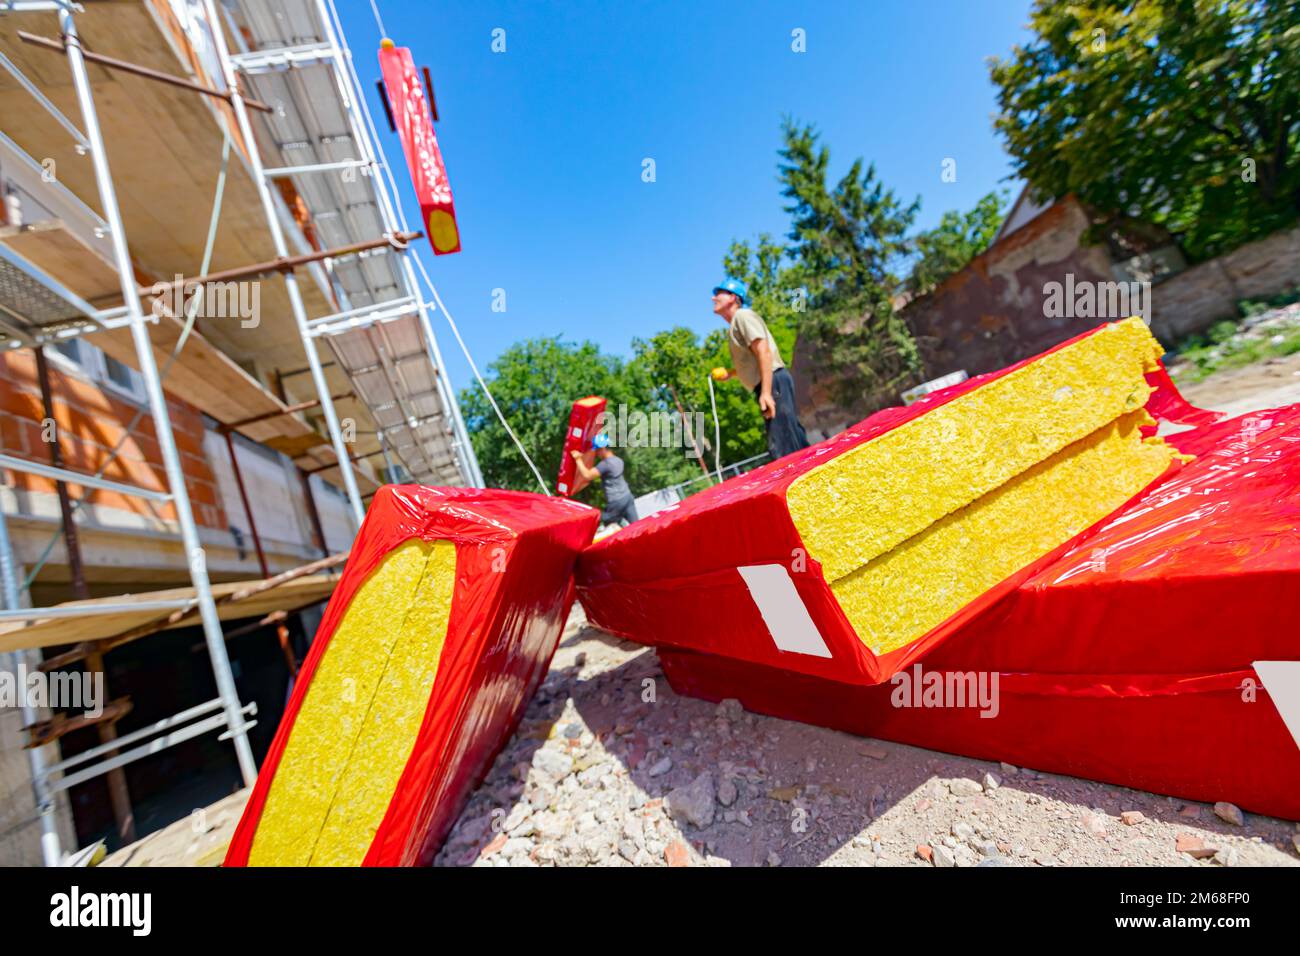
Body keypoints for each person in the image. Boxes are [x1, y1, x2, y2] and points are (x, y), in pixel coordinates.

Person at [710, 277, 810, 461]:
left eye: (719, 294)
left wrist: (766, 392)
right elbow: (753, 358)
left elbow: (763, 351)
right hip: (770, 383)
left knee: (783, 446)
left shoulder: (742, 316)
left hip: (772, 382)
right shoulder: (736, 323)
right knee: (790, 439)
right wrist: (731, 373)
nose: (713, 298)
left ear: (733, 297)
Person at [570, 433, 639, 526]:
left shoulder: (606, 464)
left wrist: (578, 459)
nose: (597, 454)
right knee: (637, 525)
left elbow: (587, 475)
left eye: (597, 451)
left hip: (616, 502)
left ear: (602, 449)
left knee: (603, 520)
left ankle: (619, 522)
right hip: (628, 497)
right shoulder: (618, 460)